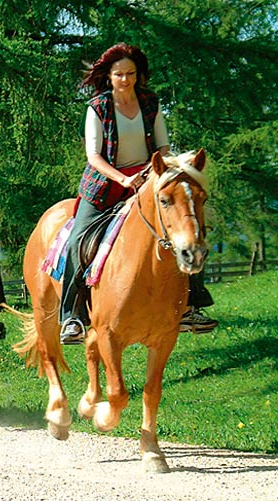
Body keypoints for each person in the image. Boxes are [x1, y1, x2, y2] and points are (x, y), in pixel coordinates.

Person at [59, 43, 217, 345]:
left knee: (186, 227)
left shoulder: (150, 102)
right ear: (109, 76)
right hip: (104, 186)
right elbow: (94, 157)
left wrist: (152, 173)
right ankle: (73, 316)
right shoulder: (98, 107)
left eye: (131, 73)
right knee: (78, 239)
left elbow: (163, 147)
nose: (125, 79)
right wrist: (122, 178)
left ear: (138, 74)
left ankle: (191, 305)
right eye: (119, 74)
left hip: (149, 179)